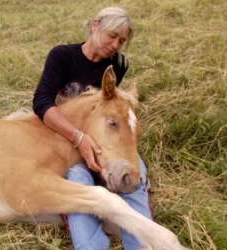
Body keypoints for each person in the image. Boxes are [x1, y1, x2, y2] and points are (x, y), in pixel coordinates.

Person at [33, 6, 152, 250]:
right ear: (95, 25)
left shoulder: (118, 64)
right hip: (65, 133)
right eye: (112, 35)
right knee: (79, 180)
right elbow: (41, 102)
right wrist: (79, 138)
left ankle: (140, 244)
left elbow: (108, 106)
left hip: (100, 132)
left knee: (135, 175)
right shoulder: (62, 55)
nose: (116, 44)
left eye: (121, 40)